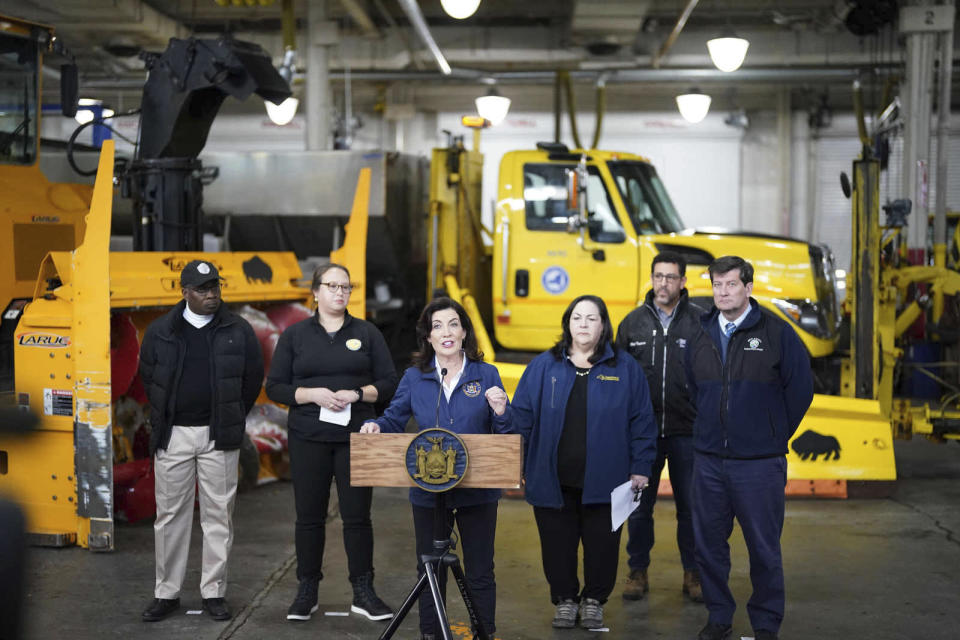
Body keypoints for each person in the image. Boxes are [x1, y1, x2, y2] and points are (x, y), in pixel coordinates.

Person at [360, 297, 511, 640]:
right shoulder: (415, 377)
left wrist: (502, 412)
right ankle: (431, 634)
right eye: (438, 326)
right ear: (428, 336)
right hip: (428, 491)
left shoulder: (485, 374)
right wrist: (377, 429)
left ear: (463, 332)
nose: (446, 332)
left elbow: (505, 435)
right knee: (429, 570)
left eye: (453, 324)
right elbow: (394, 417)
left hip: (478, 491)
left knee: (479, 572)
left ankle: (483, 633)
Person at [686, 256, 813, 640]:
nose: (723, 293)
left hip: (759, 464)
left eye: (731, 285)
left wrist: (771, 434)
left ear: (749, 288)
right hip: (709, 461)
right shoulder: (700, 333)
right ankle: (719, 617)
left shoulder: (777, 333)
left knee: (763, 549)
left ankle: (765, 623)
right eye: (717, 285)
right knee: (708, 547)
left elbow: (800, 389)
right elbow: (693, 390)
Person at [511, 294, 657, 631]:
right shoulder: (544, 366)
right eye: (577, 318)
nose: (584, 325)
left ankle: (593, 600)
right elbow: (522, 418)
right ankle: (564, 599)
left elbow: (642, 421)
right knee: (556, 547)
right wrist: (514, 463)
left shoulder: (624, 368)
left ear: (604, 325)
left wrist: (641, 466)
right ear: (567, 323)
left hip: (608, 480)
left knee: (602, 548)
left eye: (592, 318)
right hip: (552, 479)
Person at [265, 263, 398, 623]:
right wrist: (311, 394)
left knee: (358, 517)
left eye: (345, 287)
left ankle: (363, 590)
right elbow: (275, 387)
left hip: (357, 436)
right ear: (316, 292)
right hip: (308, 437)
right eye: (332, 286)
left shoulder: (367, 333)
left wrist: (357, 393)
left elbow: (388, 382)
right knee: (309, 517)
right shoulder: (295, 336)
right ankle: (307, 590)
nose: (340, 292)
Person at [139, 260, 264, 622]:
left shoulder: (237, 330)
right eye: (203, 289)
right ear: (185, 292)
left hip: (218, 436)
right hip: (173, 436)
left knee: (218, 517)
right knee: (170, 516)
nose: (212, 296)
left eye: (215, 288)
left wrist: (231, 415)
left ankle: (214, 592)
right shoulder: (161, 331)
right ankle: (166, 593)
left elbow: (252, 378)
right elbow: (149, 375)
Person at [616, 251, 704, 602]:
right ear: (651, 279)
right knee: (638, 508)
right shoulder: (632, 323)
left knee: (692, 508)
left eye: (670, 277)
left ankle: (693, 573)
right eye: (658, 276)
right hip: (644, 433)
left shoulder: (700, 322)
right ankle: (637, 571)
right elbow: (617, 377)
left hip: (688, 431)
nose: (663, 283)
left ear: (683, 282)